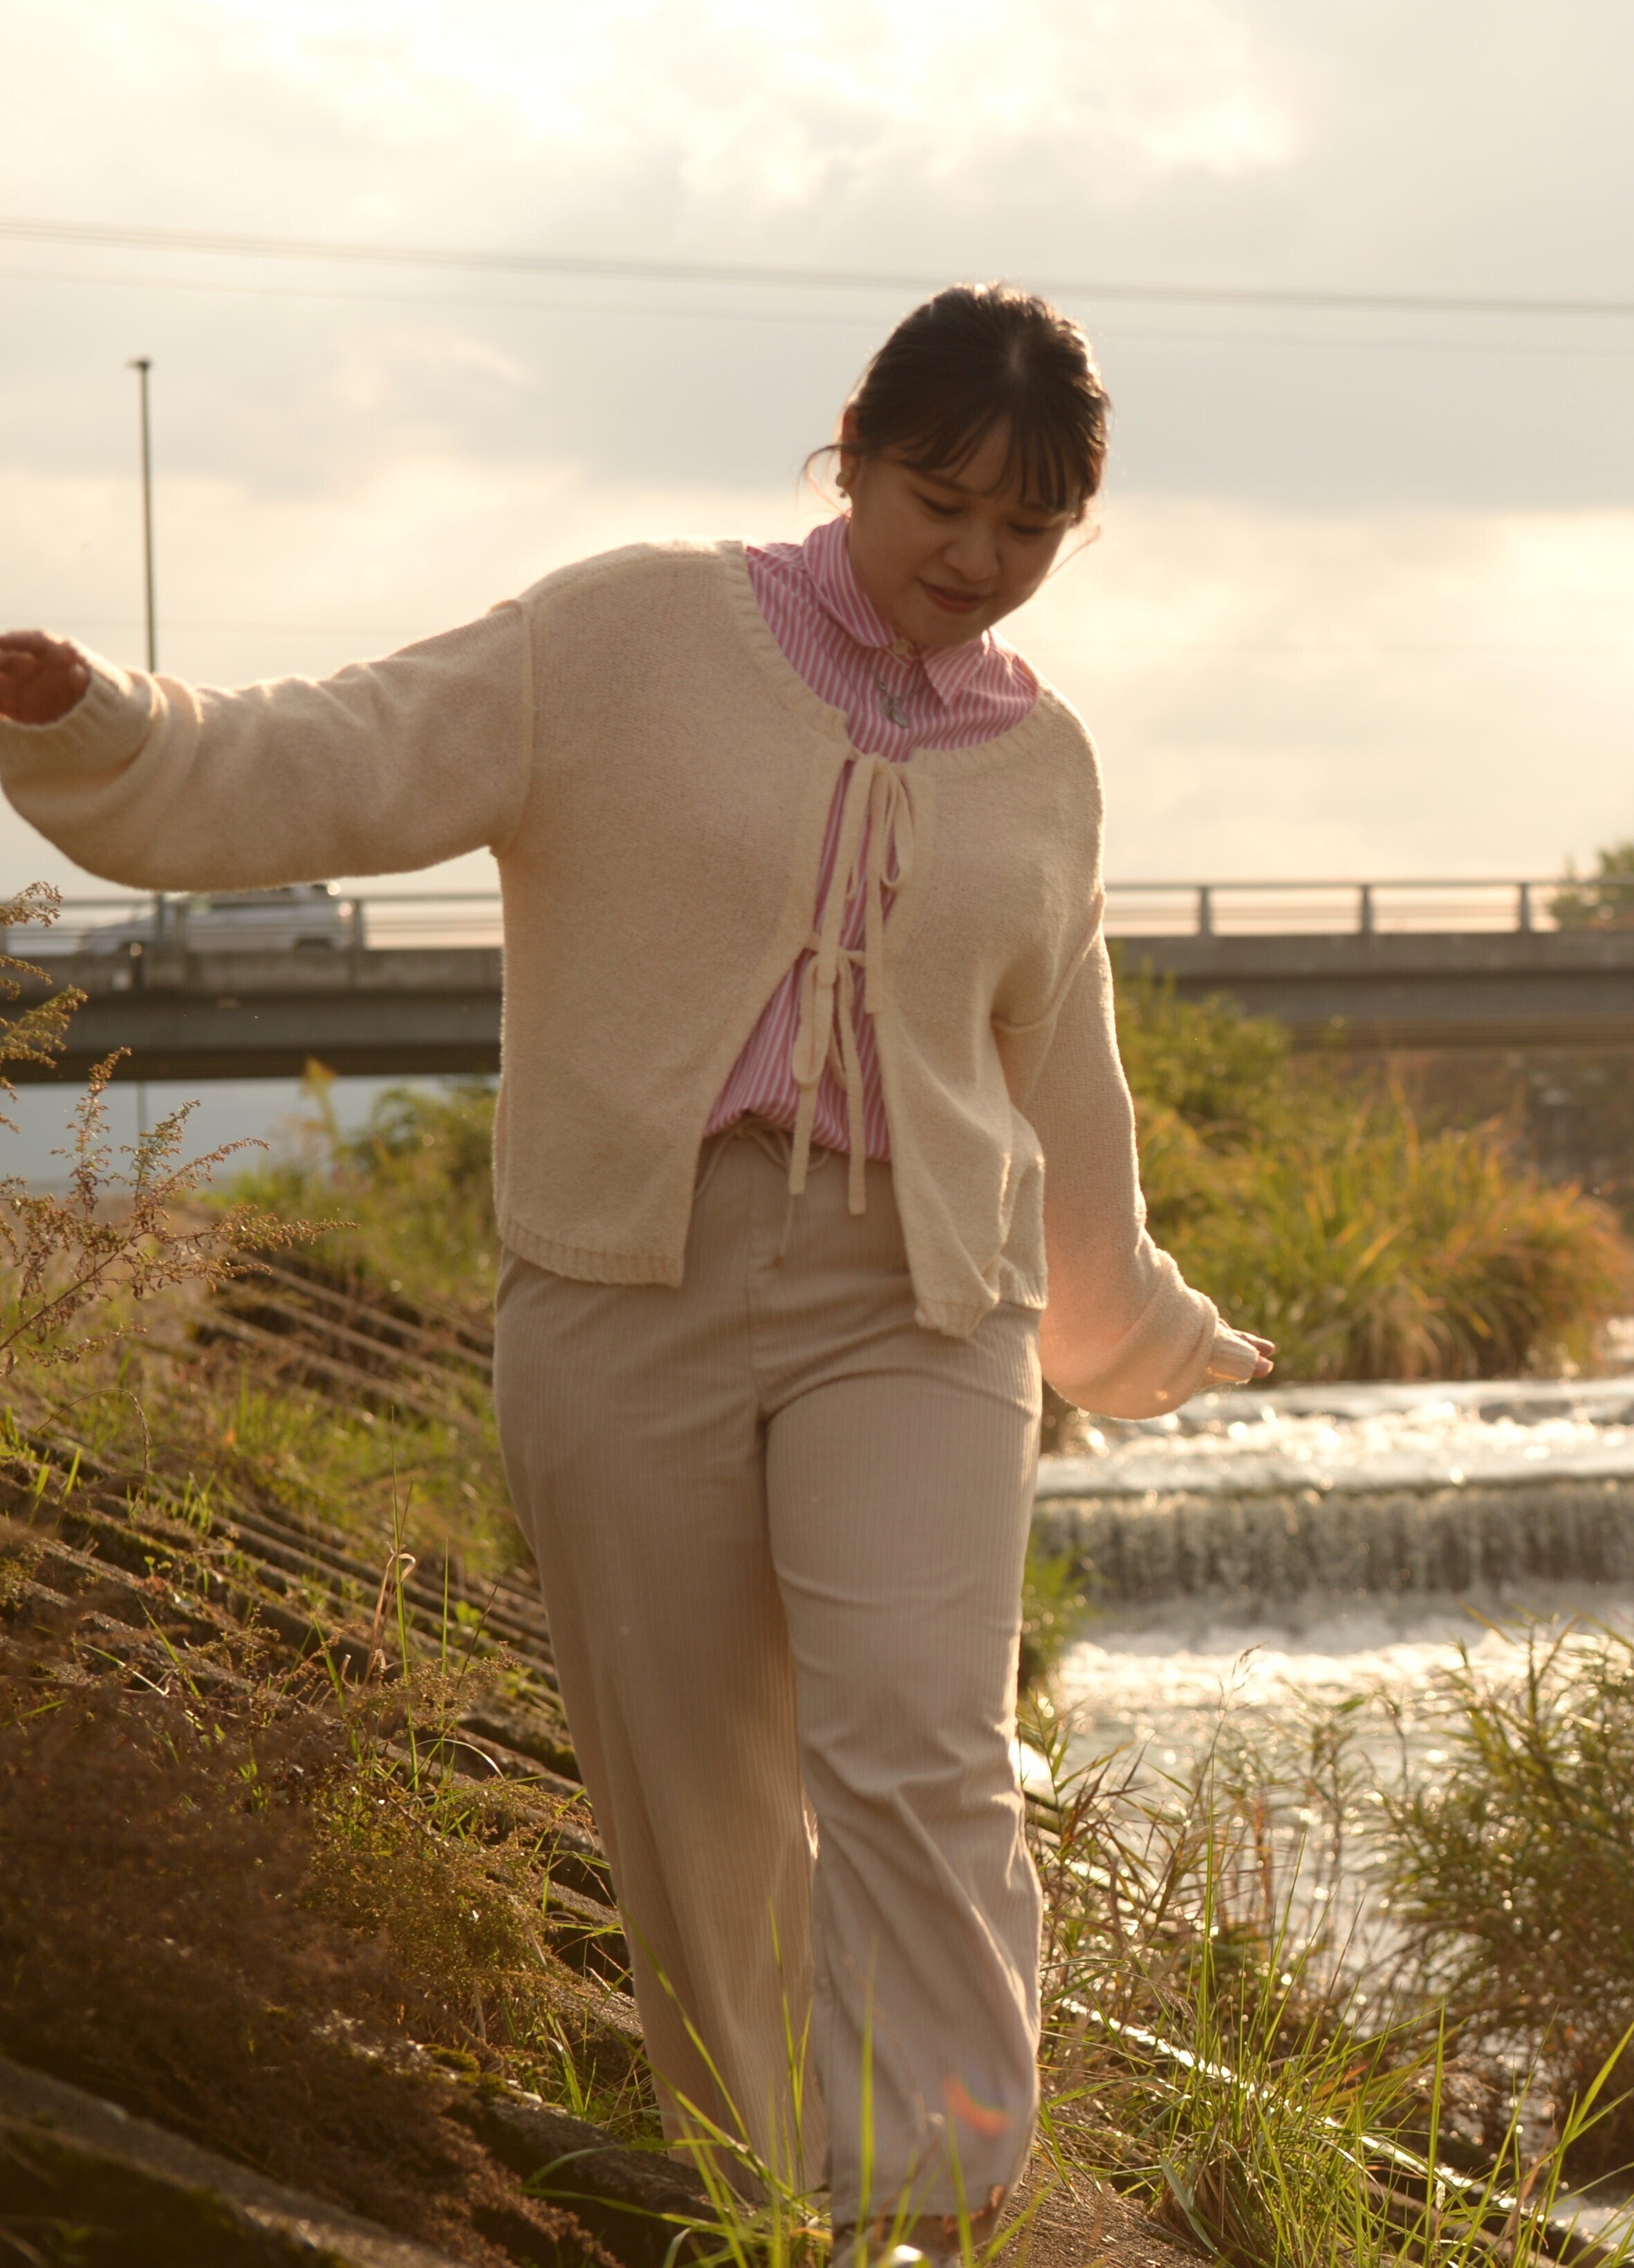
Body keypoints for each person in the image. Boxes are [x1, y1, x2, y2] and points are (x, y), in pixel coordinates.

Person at [0, 282, 1272, 2262]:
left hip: (919, 1297)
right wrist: (100, 727)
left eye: (1028, 528)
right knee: (694, 1796)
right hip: (625, 1283)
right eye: (940, 501)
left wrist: (1132, 1322)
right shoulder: (627, 637)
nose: (975, 558)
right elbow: (346, 747)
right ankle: (783, 2204)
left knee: (923, 1742)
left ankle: (935, 2200)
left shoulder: (1048, 764)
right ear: (850, 456)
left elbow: (1063, 1080)